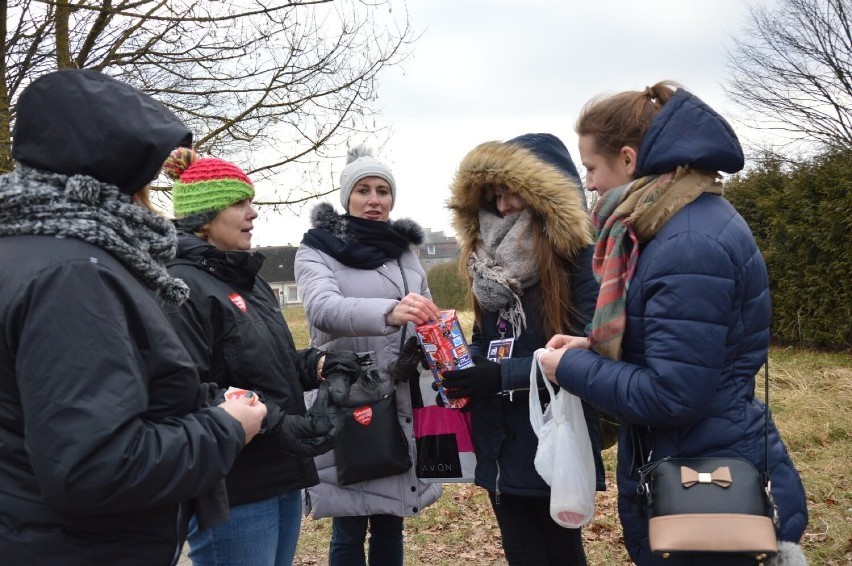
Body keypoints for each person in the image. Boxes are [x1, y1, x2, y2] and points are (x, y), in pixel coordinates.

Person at [0, 69, 268, 565]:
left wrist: (198, 402)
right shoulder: (74, 274)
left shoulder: (27, 251)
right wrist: (226, 426)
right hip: (76, 548)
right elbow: (94, 466)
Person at [539, 82, 809, 565]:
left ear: (627, 159)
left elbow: (675, 392)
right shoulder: (670, 223)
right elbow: (673, 343)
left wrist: (571, 370)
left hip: (707, 482)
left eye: (591, 168)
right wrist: (590, 346)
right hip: (696, 460)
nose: (590, 184)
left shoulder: (685, 242)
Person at [158, 147, 358, 566]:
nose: (253, 213)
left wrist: (318, 364)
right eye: (239, 203)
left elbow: (267, 361)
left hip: (281, 472)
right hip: (233, 483)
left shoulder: (249, 281)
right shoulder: (180, 286)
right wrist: (274, 422)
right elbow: (184, 388)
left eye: (251, 202)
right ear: (204, 217)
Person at [442, 133, 605, 565]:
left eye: (513, 193)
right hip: (499, 433)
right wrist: (462, 364)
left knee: (561, 551)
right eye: (495, 195)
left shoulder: (577, 259)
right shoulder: (485, 265)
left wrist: (500, 376)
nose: (504, 206)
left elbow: (589, 346)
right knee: (522, 552)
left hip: (555, 428)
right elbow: (485, 341)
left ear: (545, 195)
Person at [294, 146, 443, 566]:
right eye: (363, 190)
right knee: (350, 519)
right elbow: (322, 309)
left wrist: (443, 342)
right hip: (350, 402)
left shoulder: (404, 252)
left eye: (382, 191)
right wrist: (389, 312)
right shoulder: (317, 249)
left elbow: (427, 313)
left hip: (402, 399)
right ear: (347, 197)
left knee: (393, 515)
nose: (374, 200)